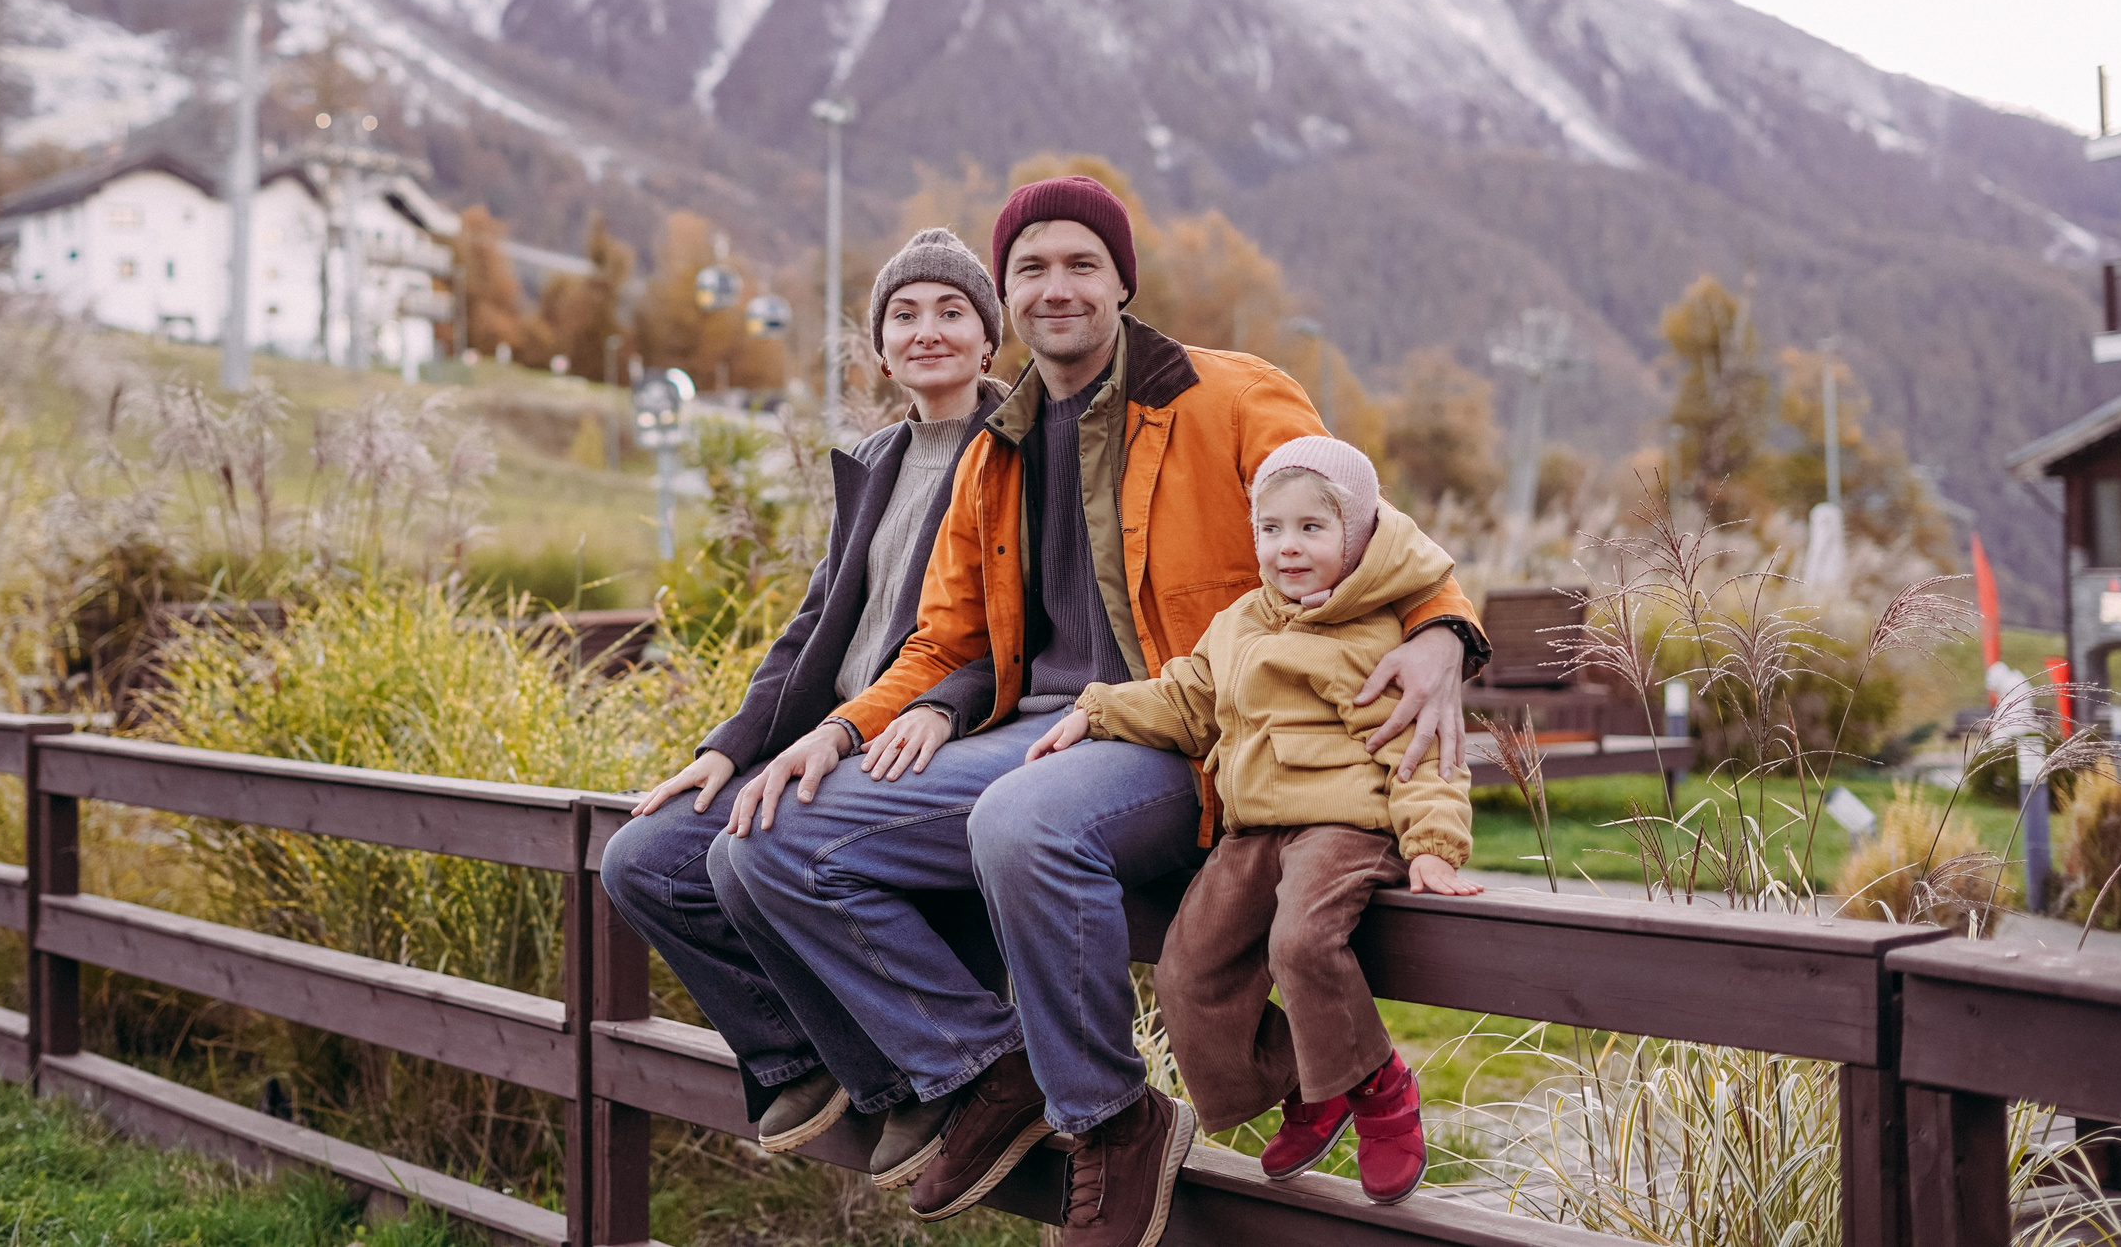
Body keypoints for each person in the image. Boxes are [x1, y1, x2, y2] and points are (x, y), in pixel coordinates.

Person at [729, 176, 1486, 1247]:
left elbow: (1361, 524)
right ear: (1006, 295)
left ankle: (1110, 1119)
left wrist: (1444, 631)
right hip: (1040, 731)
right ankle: (986, 1070)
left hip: (1191, 733)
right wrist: (837, 732)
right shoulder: (994, 447)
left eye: (1082, 263)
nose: (1058, 287)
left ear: (1122, 281)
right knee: (768, 842)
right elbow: (943, 641)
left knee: (1023, 820)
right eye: (1031, 267)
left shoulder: (1229, 395)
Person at [598, 228, 1010, 1191]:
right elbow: (816, 621)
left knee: (760, 851)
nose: (928, 330)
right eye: (904, 315)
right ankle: (807, 1055)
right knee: (643, 860)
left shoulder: (1018, 452)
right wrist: (729, 746)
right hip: (825, 733)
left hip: (913, 738)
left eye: (952, 311)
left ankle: (930, 1071)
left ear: (990, 338)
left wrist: (943, 705)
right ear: (882, 348)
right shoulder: (874, 457)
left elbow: (1024, 628)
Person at [1028, 435, 1482, 1205]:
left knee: (1300, 941)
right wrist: (1097, 710)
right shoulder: (1241, 620)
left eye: (1312, 527)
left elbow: (1423, 750)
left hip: (1343, 826)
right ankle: (1309, 1077)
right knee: (1187, 971)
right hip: (1254, 830)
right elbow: (1187, 699)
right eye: (1271, 528)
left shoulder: (1376, 634)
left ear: (1360, 534)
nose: (1287, 546)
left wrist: (1433, 845)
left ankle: (1379, 1088)